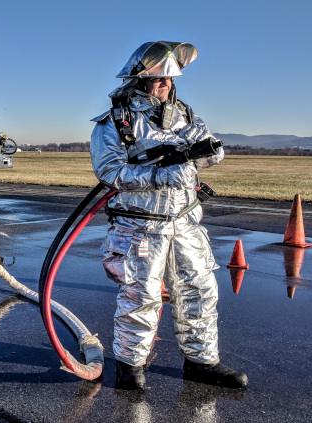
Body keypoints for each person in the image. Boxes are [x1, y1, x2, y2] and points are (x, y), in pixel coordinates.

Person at [89, 41, 248, 390]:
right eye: (159, 79)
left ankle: (202, 363)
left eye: (170, 80)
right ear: (140, 80)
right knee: (141, 299)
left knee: (200, 293)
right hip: (141, 229)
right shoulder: (115, 122)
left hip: (186, 224)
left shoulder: (185, 115)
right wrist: (159, 175)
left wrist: (210, 154)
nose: (166, 85)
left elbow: (205, 149)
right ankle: (130, 370)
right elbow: (109, 172)